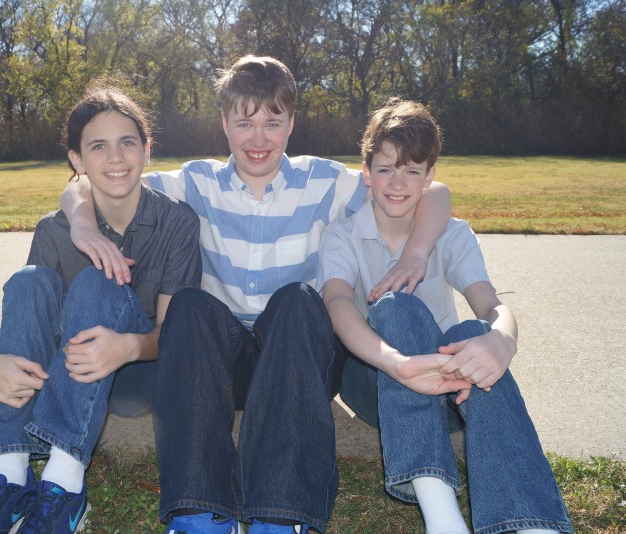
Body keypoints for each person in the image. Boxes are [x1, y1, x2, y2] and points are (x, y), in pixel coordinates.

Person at [60, 56, 457, 533]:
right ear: (224, 124)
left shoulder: (326, 181)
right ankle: (198, 513)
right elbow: (97, 180)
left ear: (291, 123)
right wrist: (82, 222)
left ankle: (280, 514)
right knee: (188, 304)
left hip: (298, 354)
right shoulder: (195, 182)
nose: (258, 138)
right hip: (222, 362)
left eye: (273, 122)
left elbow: (433, 190)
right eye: (245, 123)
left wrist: (416, 253)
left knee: (297, 298)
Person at [318, 98, 573, 534]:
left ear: (430, 177)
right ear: (366, 174)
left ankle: (531, 524)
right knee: (395, 305)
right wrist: (397, 363)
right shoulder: (343, 234)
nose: (397, 183)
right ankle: (441, 515)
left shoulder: (451, 233)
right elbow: (338, 303)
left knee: (475, 331)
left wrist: (500, 341)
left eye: (412, 171)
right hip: (378, 379)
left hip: (450, 389)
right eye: (385, 169)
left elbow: (493, 307)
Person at [0, 79, 201, 533]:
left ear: (147, 151)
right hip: (64, 368)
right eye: (98, 146)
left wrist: (127, 347)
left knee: (95, 284)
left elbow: (172, 333)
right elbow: (26, 314)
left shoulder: (177, 223)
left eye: (128, 142)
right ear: (77, 160)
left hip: (136, 371)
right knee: (29, 280)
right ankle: (9, 475)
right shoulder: (54, 229)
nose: (115, 158)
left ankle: (66, 485)